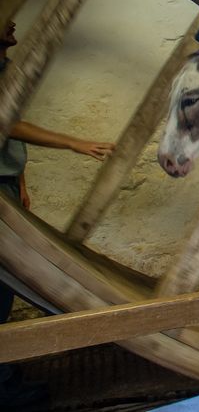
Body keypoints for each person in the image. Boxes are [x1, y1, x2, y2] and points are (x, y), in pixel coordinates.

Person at [1, 21, 115, 407]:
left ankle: (5, 374)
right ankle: (4, 389)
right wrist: (72, 142)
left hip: (6, 183)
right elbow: (7, 124)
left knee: (4, 288)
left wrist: (20, 181)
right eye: (6, 16)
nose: (13, 22)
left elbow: (6, 137)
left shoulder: (5, 68)